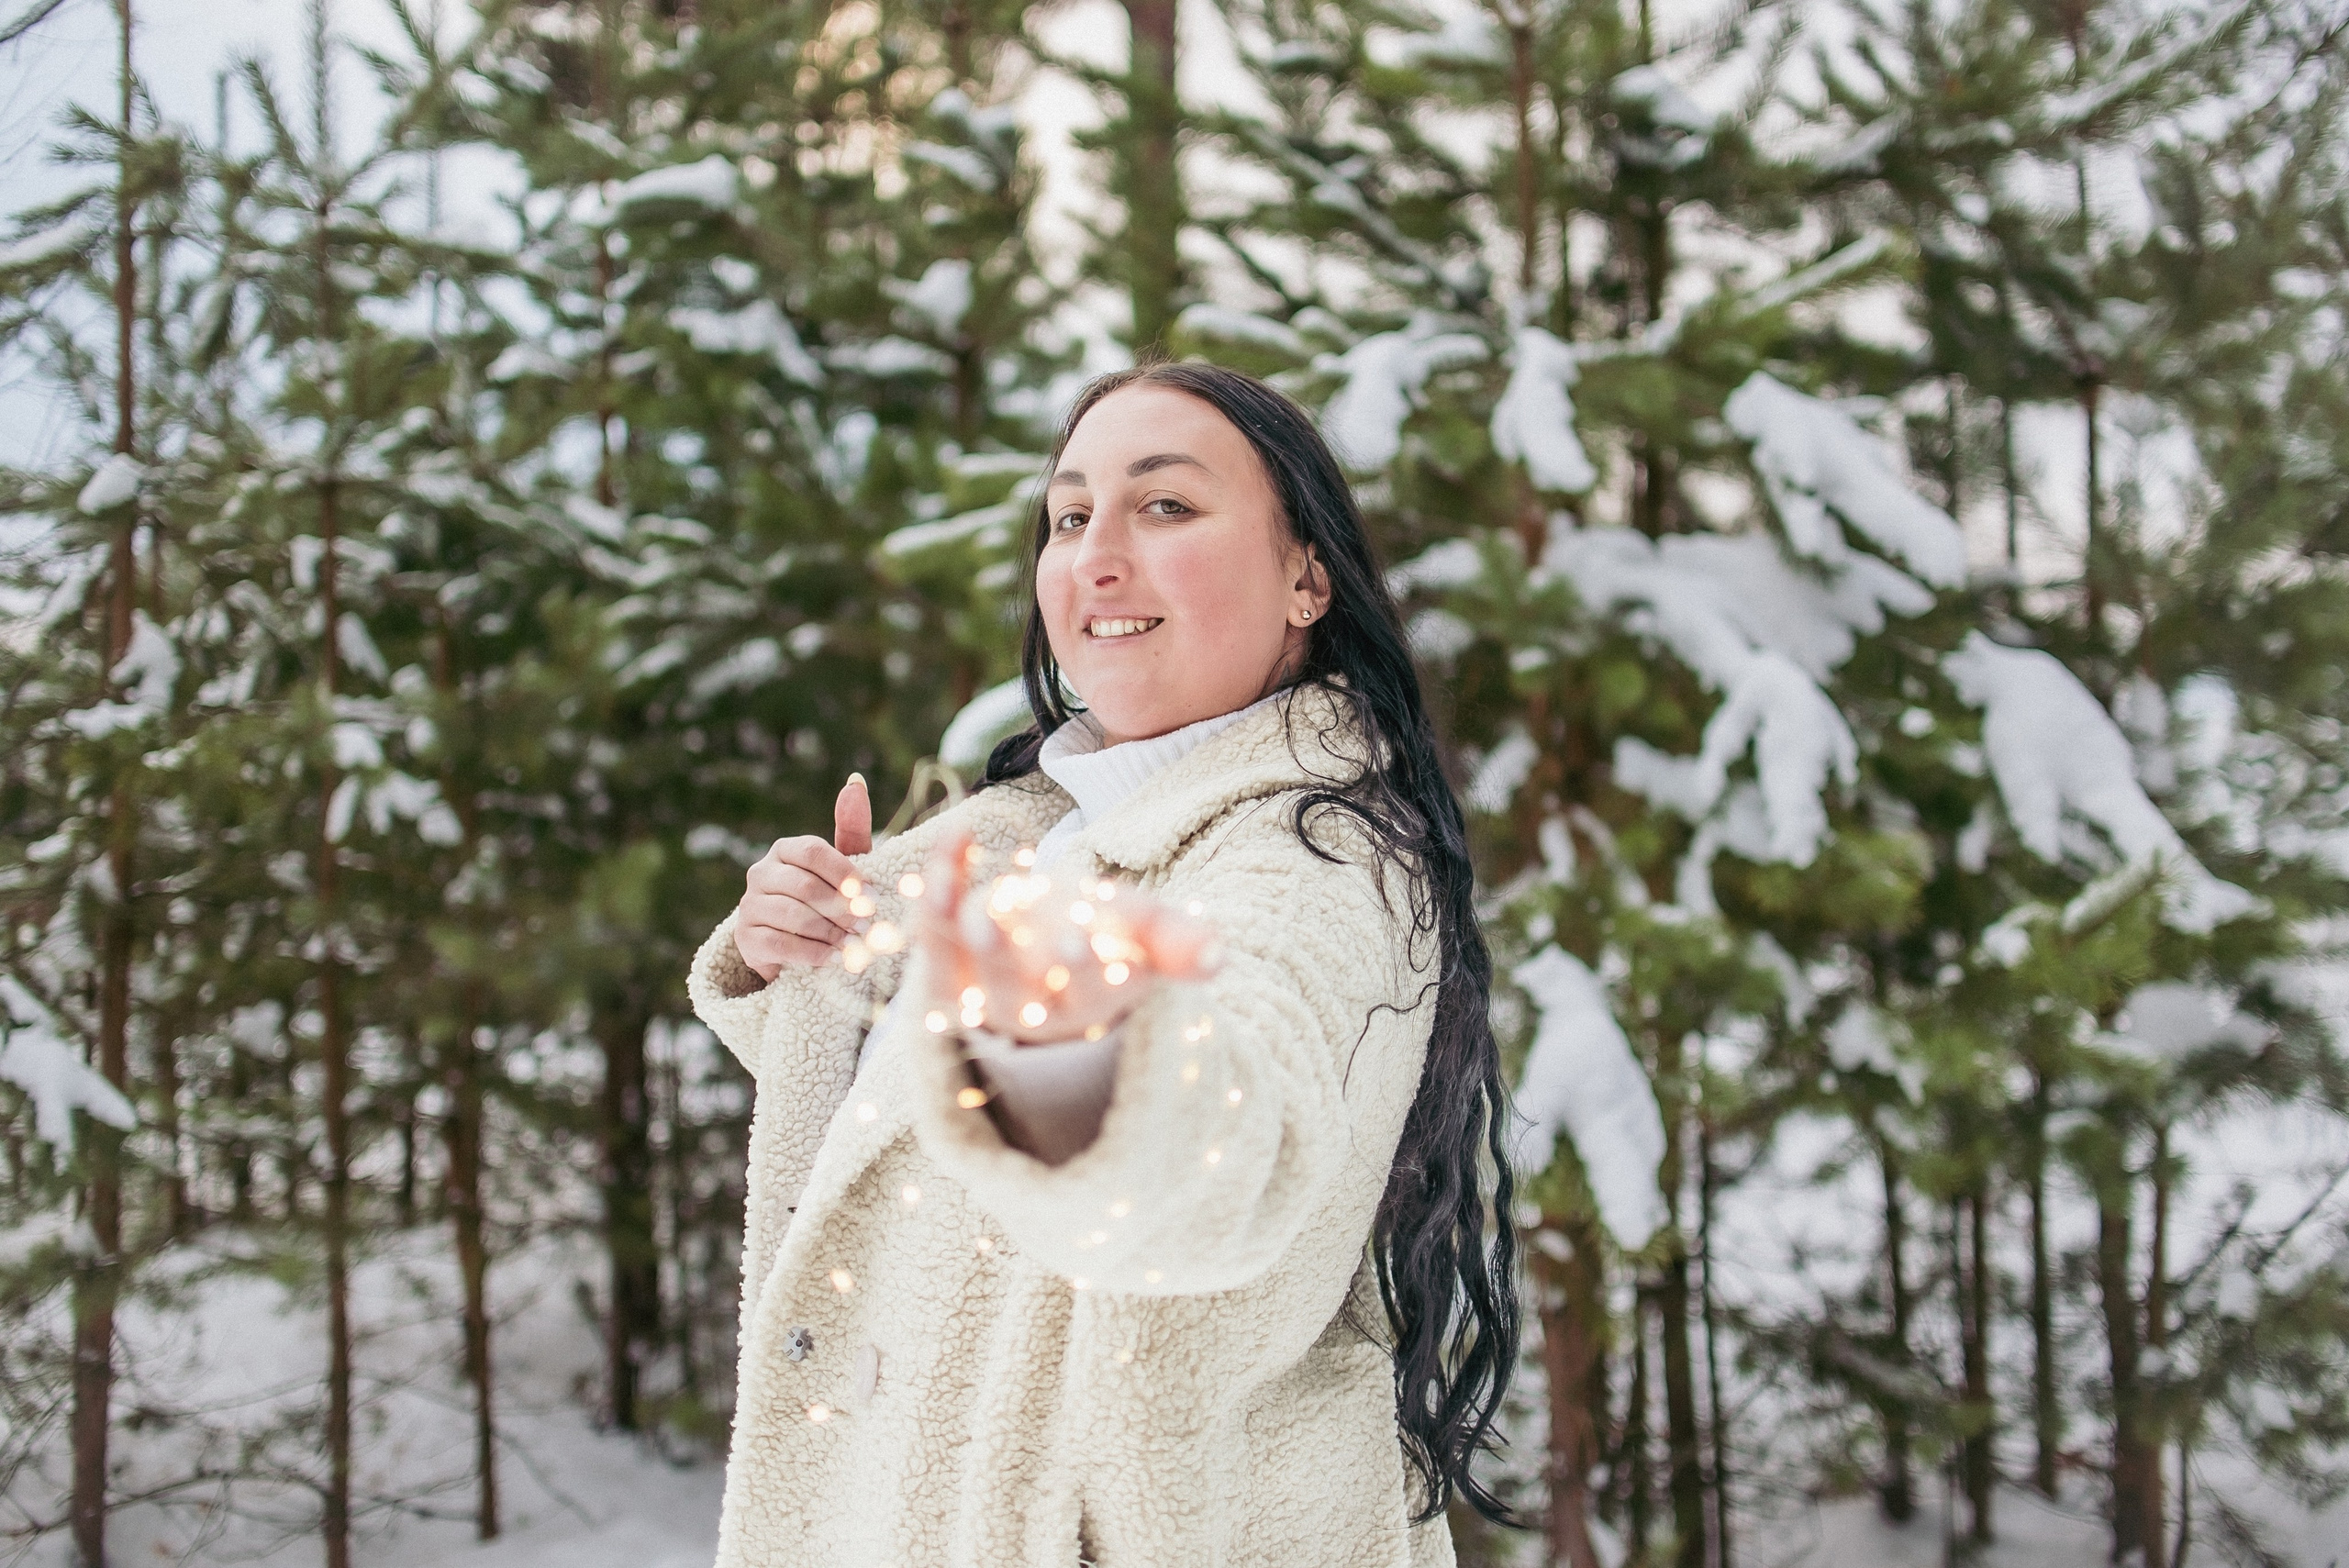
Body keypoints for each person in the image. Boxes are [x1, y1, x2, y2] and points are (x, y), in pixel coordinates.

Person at [687, 360, 1520, 1567]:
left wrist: (1072, 1048)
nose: (1096, 553)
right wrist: (811, 963)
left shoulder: (1326, 859)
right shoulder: (1026, 833)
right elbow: (921, 1160)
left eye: (1165, 505)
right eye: (1070, 515)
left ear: (1307, 577)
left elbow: (1231, 1135)